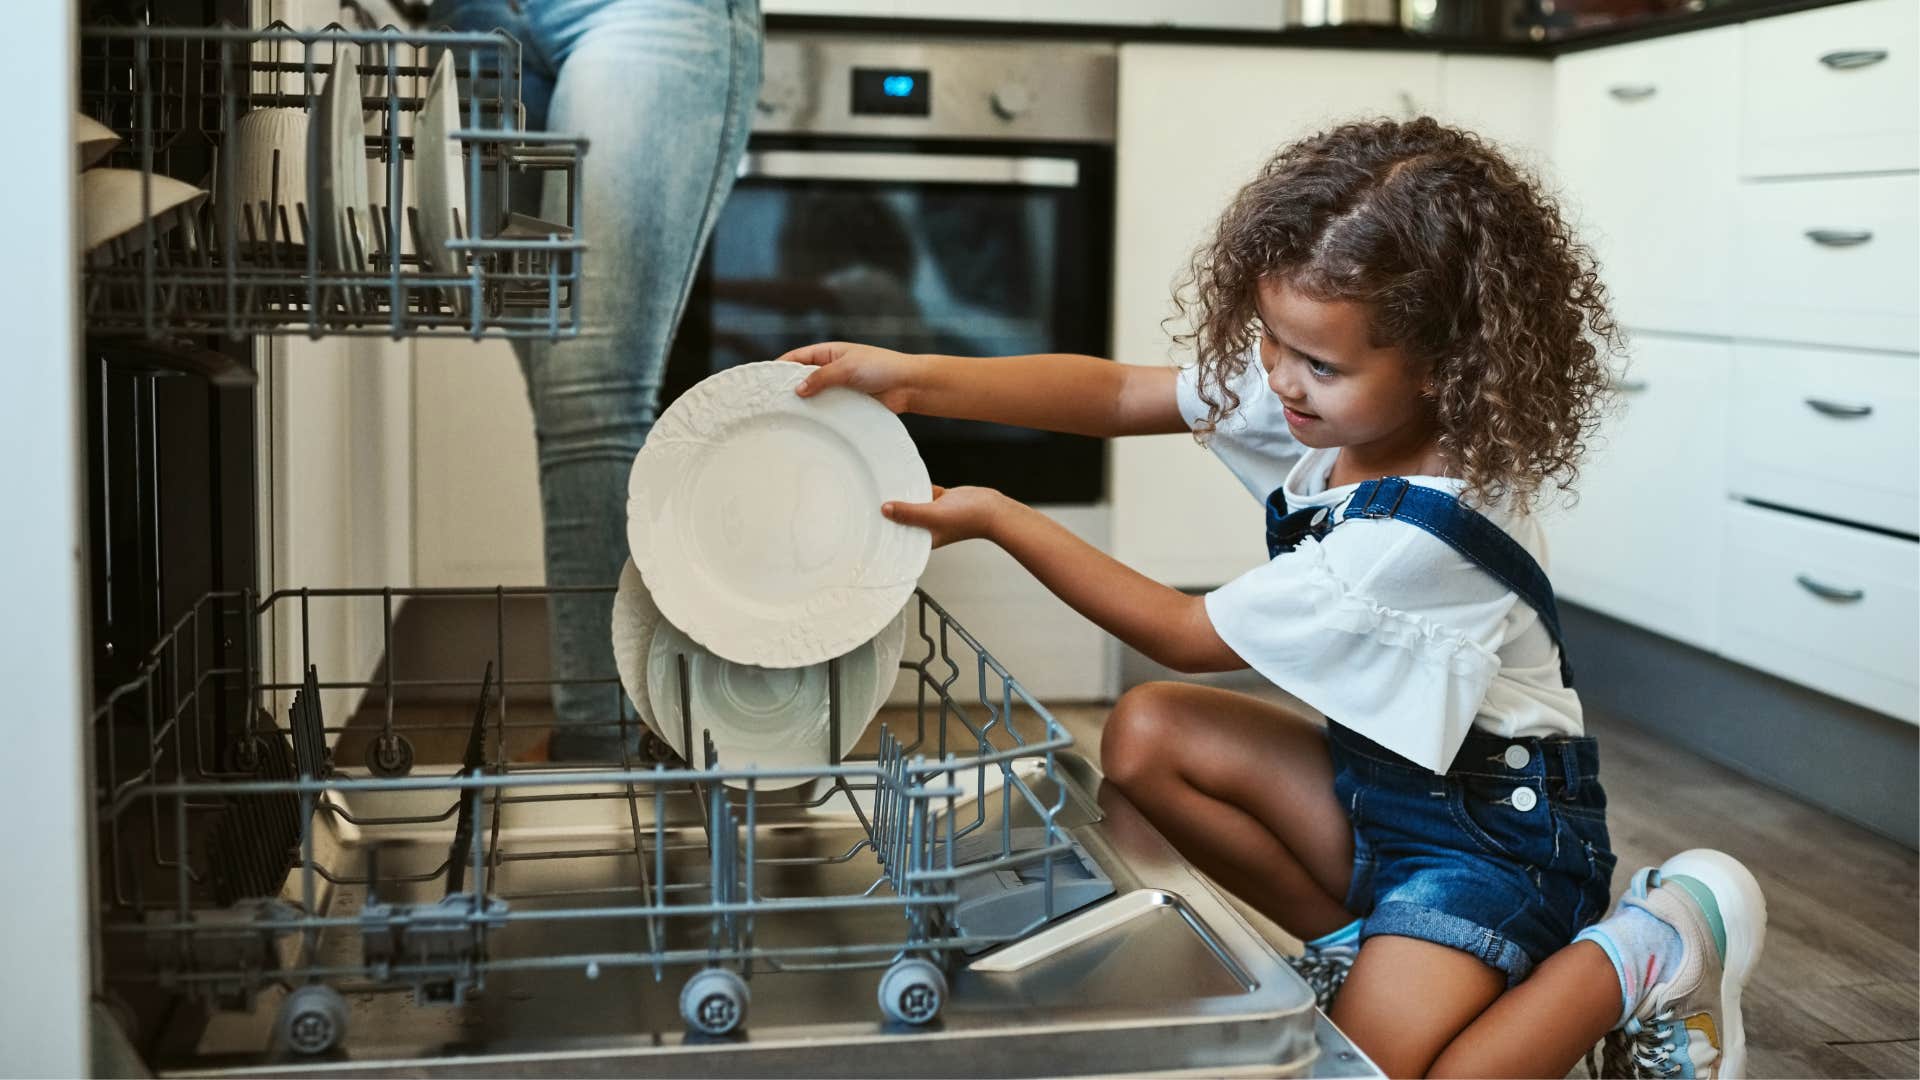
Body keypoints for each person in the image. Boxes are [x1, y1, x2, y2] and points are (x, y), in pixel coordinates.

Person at [779, 117, 1766, 1078]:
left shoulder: (1414, 532)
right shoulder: (1334, 398)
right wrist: (916, 377)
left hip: (1501, 845)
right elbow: (1124, 394)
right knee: (1151, 736)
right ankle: (1365, 951)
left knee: (1374, 1075)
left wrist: (1002, 517)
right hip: (1386, 794)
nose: (1280, 381)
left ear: (1440, 367)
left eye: (1318, 364)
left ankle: (1652, 944)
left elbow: (1181, 631)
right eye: (1270, 340)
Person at [427, 0, 762, 760]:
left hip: (642, 12)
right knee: (560, 397)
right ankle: (625, 727)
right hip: (469, 15)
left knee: (589, 395)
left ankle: (599, 745)